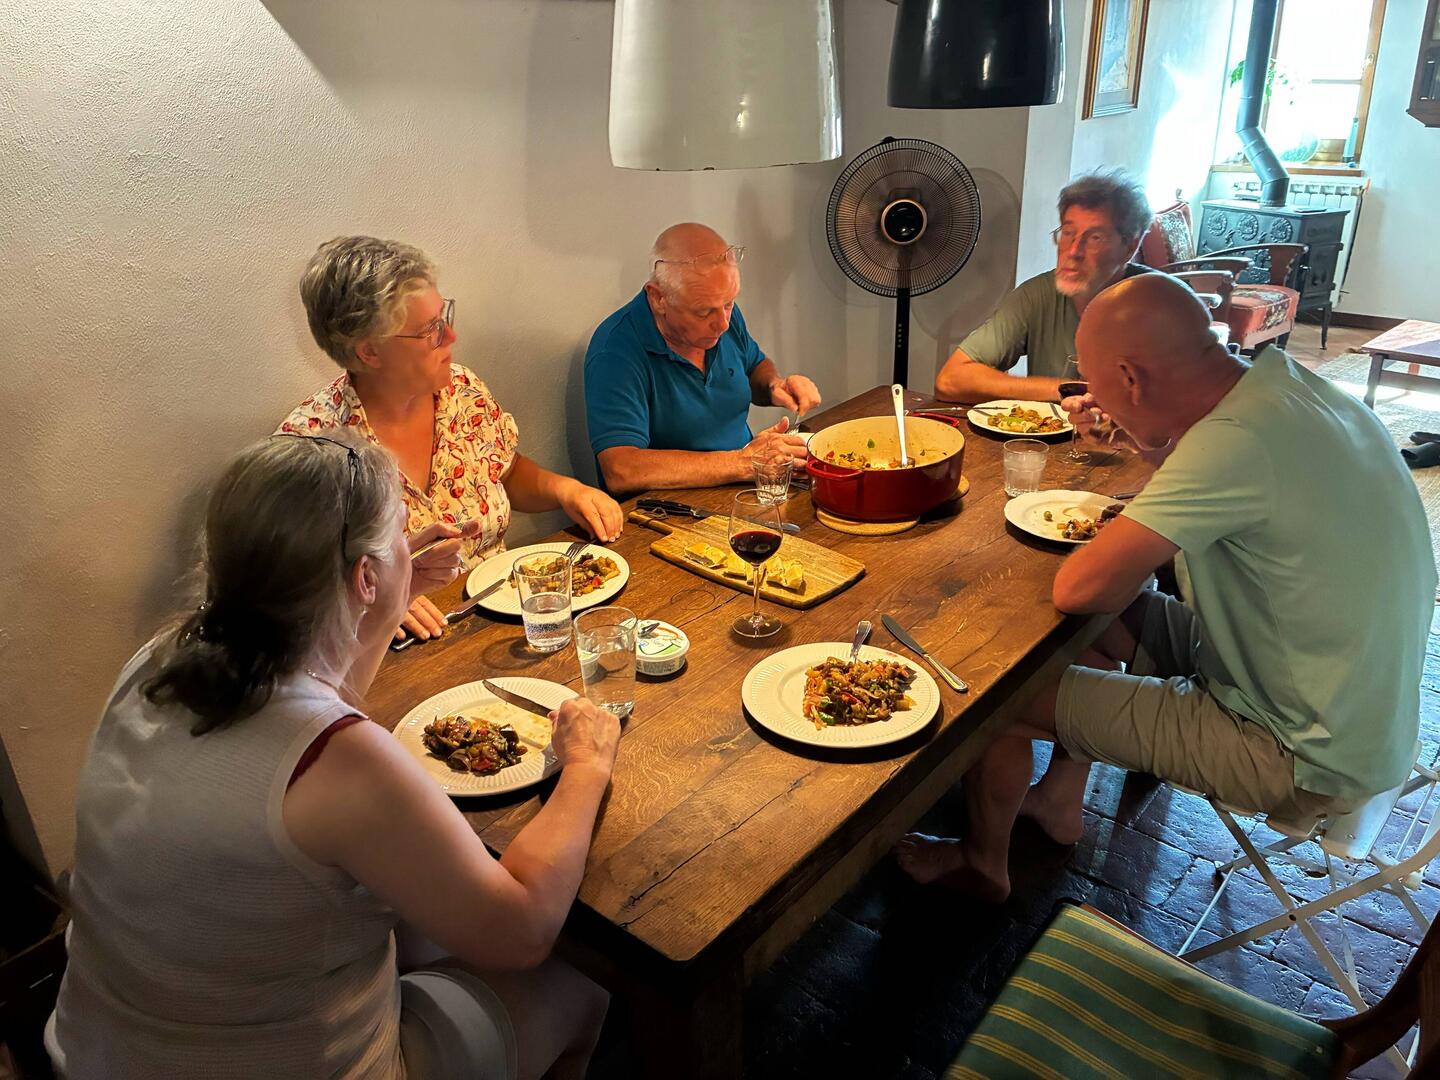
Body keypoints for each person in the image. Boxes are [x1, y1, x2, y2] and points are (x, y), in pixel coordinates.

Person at [48, 434, 619, 1079]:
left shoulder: (156, 661)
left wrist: (385, 598)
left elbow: (319, 693)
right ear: (362, 575)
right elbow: (522, 929)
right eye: (401, 534)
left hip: (96, 1050)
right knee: (580, 988)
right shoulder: (342, 762)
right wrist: (587, 766)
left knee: (415, 925)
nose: (410, 545)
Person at [898, 274, 1435, 902]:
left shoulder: (1235, 443)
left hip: (1299, 748)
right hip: (1350, 700)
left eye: (1094, 384)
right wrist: (1138, 436)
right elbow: (1211, 479)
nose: (1091, 401)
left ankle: (981, 864)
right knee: (1110, 624)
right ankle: (1060, 800)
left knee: (994, 696)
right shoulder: (1289, 386)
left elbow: (1079, 589)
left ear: (1130, 378)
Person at [280, 236, 623, 643]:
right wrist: (372, 600)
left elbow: (506, 472)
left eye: (443, 316)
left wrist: (566, 490)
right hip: (402, 653)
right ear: (369, 352)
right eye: (430, 330)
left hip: (507, 621)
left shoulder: (461, 390)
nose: (450, 337)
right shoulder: (312, 449)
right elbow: (294, 596)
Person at [584, 222, 822, 497]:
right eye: (703, 312)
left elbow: (753, 366)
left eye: (729, 303)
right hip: (668, 506)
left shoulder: (719, 311)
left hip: (743, 486)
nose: (722, 323)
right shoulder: (616, 351)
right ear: (658, 298)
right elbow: (621, 469)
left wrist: (774, 385)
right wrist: (742, 462)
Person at [934, 171, 1153, 403]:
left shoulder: (1162, 304)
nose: (1073, 251)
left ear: (1130, 246)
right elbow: (950, 380)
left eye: (1095, 237)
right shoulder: (1036, 295)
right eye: (1068, 233)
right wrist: (1068, 390)